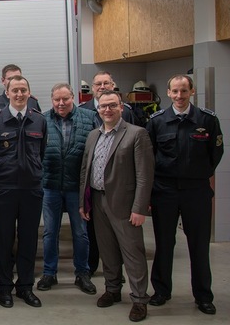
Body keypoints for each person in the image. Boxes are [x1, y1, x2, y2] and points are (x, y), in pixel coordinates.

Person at [146, 75, 223, 315]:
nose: (179, 96)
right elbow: (149, 157)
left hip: (196, 191)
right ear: (168, 93)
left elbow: (215, 154)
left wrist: (197, 174)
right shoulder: (157, 121)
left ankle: (203, 295)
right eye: (175, 91)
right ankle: (161, 290)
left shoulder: (207, 120)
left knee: (199, 245)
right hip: (164, 191)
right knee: (164, 243)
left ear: (192, 91)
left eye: (184, 91)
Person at [79, 90, 154, 322]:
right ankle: (112, 289)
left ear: (121, 107)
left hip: (125, 204)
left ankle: (140, 299)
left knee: (132, 253)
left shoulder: (136, 134)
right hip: (98, 201)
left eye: (112, 105)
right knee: (107, 250)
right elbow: (85, 171)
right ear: (97, 109)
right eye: (103, 107)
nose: (107, 110)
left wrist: (140, 208)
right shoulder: (93, 135)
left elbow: (144, 175)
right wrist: (84, 202)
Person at [0, 75, 46, 308]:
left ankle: (25, 287)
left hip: (31, 190)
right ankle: (5, 287)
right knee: (4, 240)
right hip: (4, 189)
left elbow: (42, 152)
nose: (19, 94)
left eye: (23, 90)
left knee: (29, 240)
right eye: (15, 90)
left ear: (29, 93)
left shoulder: (39, 120)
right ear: (6, 93)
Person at [37, 84, 97, 294]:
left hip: (77, 186)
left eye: (65, 99)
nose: (61, 104)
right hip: (50, 185)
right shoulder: (42, 120)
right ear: (51, 100)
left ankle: (82, 273)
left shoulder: (89, 118)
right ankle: (49, 273)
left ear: (73, 97)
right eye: (56, 100)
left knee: (80, 233)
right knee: (50, 232)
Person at [78, 71, 135, 280]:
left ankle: (120, 275)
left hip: (120, 187)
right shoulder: (82, 111)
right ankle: (92, 267)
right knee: (95, 232)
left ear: (113, 84)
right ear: (92, 88)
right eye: (98, 84)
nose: (102, 86)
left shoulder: (127, 111)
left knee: (121, 236)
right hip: (94, 186)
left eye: (106, 83)